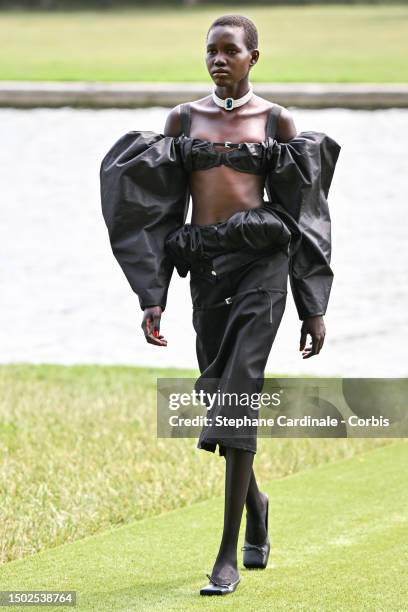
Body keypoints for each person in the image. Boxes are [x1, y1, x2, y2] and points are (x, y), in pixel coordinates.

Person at [100, 13, 340, 597]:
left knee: (238, 393)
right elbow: (155, 213)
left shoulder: (277, 120)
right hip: (205, 272)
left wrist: (313, 304)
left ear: (254, 57)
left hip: (265, 267)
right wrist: (152, 296)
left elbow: (306, 217)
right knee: (217, 394)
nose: (218, 59)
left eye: (231, 50)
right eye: (211, 51)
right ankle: (257, 503)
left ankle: (226, 554)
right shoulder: (182, 120)